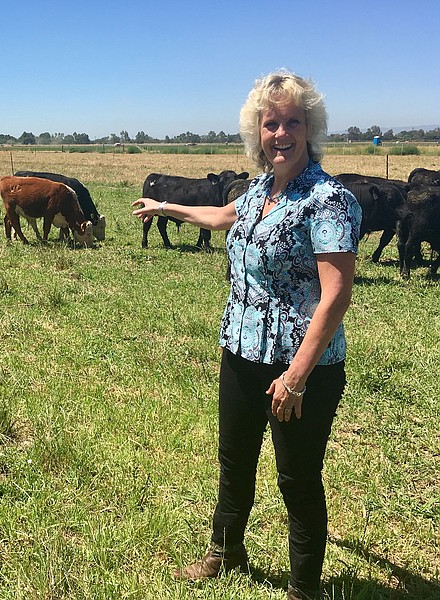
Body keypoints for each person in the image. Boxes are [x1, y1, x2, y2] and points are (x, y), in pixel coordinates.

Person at [132, 70, 361, 600]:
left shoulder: (327, 200)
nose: (281, 133)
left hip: (302, 366)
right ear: (257, 132)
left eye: (293, 123)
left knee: (297, 479)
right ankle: (225, 550)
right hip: (241, 351)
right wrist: (164, 206)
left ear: (310, 128)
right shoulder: (262, 189)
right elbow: (221, 216)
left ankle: (304, 588)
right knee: (234, 461)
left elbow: (336, 294)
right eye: (271, 123)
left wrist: (297, 375)